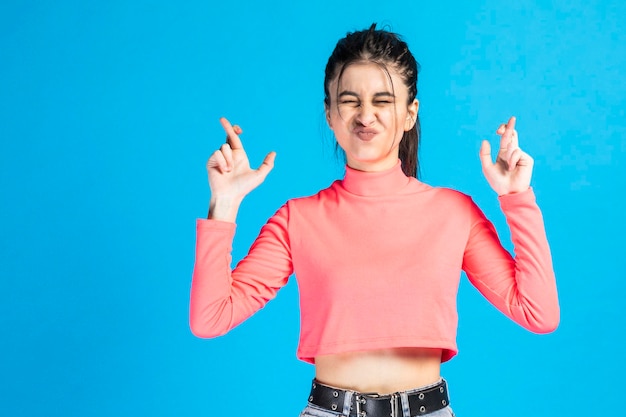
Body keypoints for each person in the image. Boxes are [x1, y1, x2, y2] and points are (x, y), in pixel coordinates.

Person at [189, 24, 559, 417]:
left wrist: (516, 198)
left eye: (383, 100)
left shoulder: (454, 212)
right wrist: (224, 204)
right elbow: (210, 319)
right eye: (350, 101)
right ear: (330, 113)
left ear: (409, 114)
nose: (366, 115)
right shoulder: (298, 219)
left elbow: (538, 313)